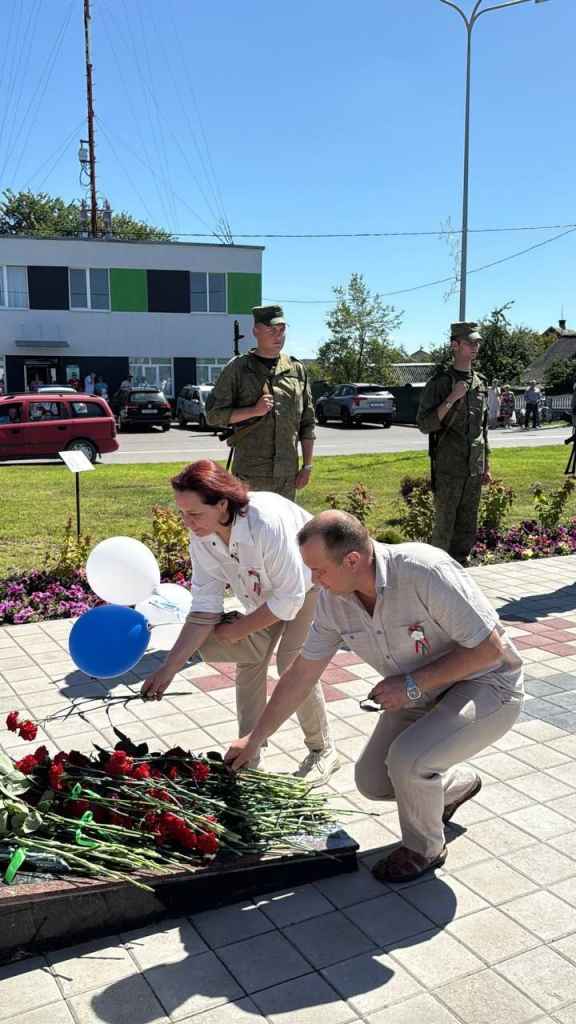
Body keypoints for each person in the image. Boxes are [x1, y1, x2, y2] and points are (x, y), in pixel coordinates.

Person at [225, 510, 524, 882]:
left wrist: (411, 685)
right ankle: (447, 788)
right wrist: (255, 739)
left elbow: (489, 650)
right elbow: (302, 673)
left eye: (318, 570)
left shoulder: (423, 572)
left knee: (407, 760)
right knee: (373, 780)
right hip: (421, 689)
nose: (312, 580)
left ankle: (425, 847)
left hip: (487, 684)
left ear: (352, 560)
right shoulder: (334, 599)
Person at [141, 460, 339, 785]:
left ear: (222, 504)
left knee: (291, 662)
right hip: (268, 595)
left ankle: (322, 750)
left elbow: (289, 598)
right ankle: (249, 753)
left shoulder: (265, 523)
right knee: (249, 660)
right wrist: (168, 669)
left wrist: (237, 629)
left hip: (308, 584)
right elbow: (204, 607)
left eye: (194, 514)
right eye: (182, 513)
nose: (187, 523)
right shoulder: (202, 537)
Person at [204, 304, 316, 500]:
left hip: (286, 476)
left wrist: (307, 466)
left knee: (283, 529)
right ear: (256, 331)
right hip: (249, 474)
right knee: (249, 528)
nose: (278, 335)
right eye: (271, 329)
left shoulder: (296, 370)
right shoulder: (238, 368)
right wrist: (253, 411)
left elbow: (307, 423)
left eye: (282, 330)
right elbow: (213, 415)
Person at [416, 321, 490, 567]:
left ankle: (462, 567)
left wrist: (486, 465)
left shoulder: (480, 382)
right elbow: (425, 424)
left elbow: (483, 429)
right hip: (449, 466)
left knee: (468, 523)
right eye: (470, 342)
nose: (476, 347)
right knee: (445, 524)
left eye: (478, 342)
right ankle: (437, 572)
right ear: (455, 345)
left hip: (473, 467)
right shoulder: (440, 383)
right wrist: (451, 398)